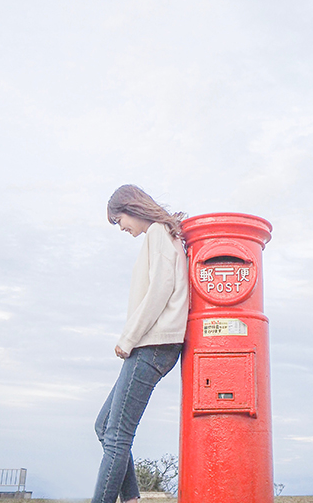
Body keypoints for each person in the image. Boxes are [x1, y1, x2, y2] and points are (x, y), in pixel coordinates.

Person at [92, 185, 189, 503]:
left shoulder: (159, 232)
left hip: (152, 344)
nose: (121, 227)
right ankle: (131, 499)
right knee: (104, 425)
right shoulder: (167, 234)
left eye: (119, 219)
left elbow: (160, 289)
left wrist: (129, 337)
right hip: (155, 345)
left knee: (117, 435)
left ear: (131, 208)